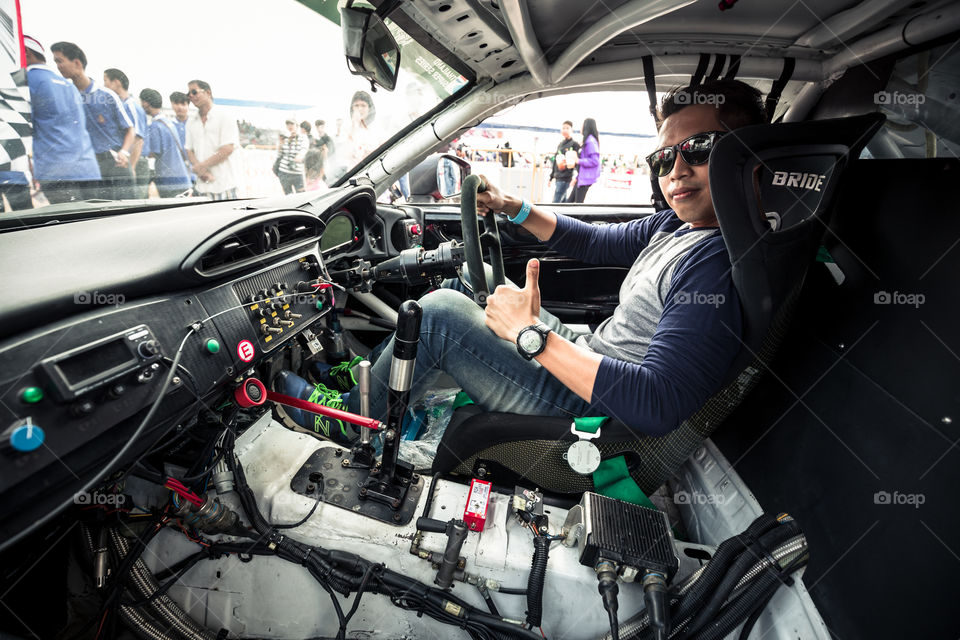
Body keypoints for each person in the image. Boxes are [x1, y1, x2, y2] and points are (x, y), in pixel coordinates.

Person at [277, 80, 765, 445]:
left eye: (699, 151)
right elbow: (593, 242)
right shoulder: (677, 228)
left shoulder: (713, 265)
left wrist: (531, 336)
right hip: (589, 354)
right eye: (664, 158)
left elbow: (657, 405)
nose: (676, 171)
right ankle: (377, 384)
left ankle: (349, 419)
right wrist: (512, 206)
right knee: (476, 275)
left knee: (441, 315)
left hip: (590, 410)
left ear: (745, 157)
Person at [50, 41, 136, 200]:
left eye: (60, 61)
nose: (57, 66)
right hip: (87, 169)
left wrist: (124, 152)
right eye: (55, 62)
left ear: (77, 63)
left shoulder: (107, 95)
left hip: (116, 164)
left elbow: (130, 129)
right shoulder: (66, 98)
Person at [22, 36, 100, 205]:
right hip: (88, 168)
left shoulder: (27, 80)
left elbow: (22, 127)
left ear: (25, 52)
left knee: (73, 226)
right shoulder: (68, 84)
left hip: (57, 170)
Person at [184, 79, 240, 201]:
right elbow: (189, 149)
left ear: (208, 93)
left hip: (224, 187)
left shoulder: (225, 116)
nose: (191, 96)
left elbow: (227, 149)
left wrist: (201, 167)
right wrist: (202, 172)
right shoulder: (191, 121)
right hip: (201, 189)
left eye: (194, 92)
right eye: (189, 94)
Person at [103, 68, 148, 198]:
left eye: (105, 81)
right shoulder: (120, 105)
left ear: (116, 82)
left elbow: (138, 140)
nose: (104, 85)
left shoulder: (131, 106)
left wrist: (132, 168)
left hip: (134, 161)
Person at [139, 89, 191, 198]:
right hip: (181, 176)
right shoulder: (168, 122)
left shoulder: (155, 125)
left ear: (146, 103)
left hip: (169, 181)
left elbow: (153, 152)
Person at [547, 120, 580, 203]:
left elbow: (577, 162)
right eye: (563, 128)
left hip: (566, 177)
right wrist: (551, 177)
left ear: (571, 130)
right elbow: (555, 162)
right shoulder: (560, 144)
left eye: (567, 128)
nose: (565, 130)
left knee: (556, 201)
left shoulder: (574, 144)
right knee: (563, 200)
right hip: (558, 176)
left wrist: (576, 177)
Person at [568, 118, 600, 203]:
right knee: (570, 203)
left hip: (585, 179)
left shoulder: (590, 141)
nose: (580, 128)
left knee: (576, 205)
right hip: (582, 178)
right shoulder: (588, 140)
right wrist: (577, 178)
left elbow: (595, 161)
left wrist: (578, 160)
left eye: (582, 125)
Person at [276, 118, 308, 194]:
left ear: (297, 126)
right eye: (288, 124)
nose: (290, 126)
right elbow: (279, 155)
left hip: (297, 172)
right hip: (284, 172)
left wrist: (299, 156)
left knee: (301, 197)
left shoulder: (303, 137)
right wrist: (280, 144)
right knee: (288, 196)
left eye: (292, 124)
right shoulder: (284, 137)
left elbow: (304, 149)